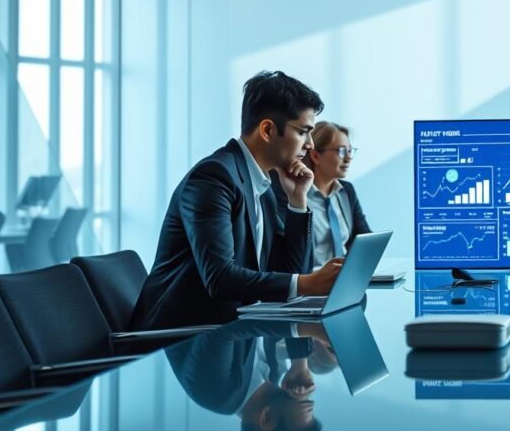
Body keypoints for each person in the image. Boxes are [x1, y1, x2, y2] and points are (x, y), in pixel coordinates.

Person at [131, 71, 345, 331]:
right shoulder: (213, 178)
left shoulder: (264, 183)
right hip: (178, 339)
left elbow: (289, 272)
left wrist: (298, 201)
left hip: (234, 334)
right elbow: (220, 278)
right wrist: (307, 283)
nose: (310, 144)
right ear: (267, 130)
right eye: (303, 132)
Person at [165, 320, 325, 431]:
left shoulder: (216, 393)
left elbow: (223, 328)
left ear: (267, 418)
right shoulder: (273, 373)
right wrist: (299, 363)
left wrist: (306, 329)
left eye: (303, 404)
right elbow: (286, 312)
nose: (308, 398)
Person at [274, 122, 370, 270]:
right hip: (312, 279)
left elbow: (364, 238)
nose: (348, 158)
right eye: (341, 151)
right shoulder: (291, 194)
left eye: (350, 151)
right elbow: (291, 254)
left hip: (344, 275)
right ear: (315, 156)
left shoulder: (346, 191)